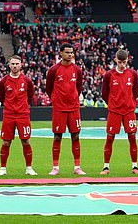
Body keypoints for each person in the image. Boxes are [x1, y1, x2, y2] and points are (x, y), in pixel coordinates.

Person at [100, 49, 138, 175]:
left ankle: (135, 166)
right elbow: (104, 94)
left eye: (124, 62)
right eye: (120, 62)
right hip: (114, 111)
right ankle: (106, 167)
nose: (122, 64)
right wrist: (113, 104)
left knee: (132, 137)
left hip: (129, 111)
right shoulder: (109, 75)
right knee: (110, 138)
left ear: (127, 60)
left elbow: (135, 92)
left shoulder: (133, 74)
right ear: (115, 60)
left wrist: (131, 104)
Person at [46, 43, 85, 176]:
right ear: (61, 53)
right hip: (59, 108)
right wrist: (57, 99)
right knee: (57, 137)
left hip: (74, 108)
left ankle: (77, 167)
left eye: (71, 52)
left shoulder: (78, 70)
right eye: (67, 52)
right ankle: (55, 167)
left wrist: (73, 98)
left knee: (75, 135)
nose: (70, 55)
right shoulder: (53, 70)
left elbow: (78, 88)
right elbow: (48, 88)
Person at [0, 55, 36, 176]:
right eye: (12, 64)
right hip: (8, 115)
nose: (14, 66)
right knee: (6, 142)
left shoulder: (27, 81)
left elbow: (30, 95)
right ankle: (3, 168)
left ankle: (29, 168)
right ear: (9, 65)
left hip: (23, 115)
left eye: (17, 64)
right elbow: (1, 96)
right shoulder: (4, 81)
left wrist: (22, 106)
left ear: (21, 65)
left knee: (26, 141)